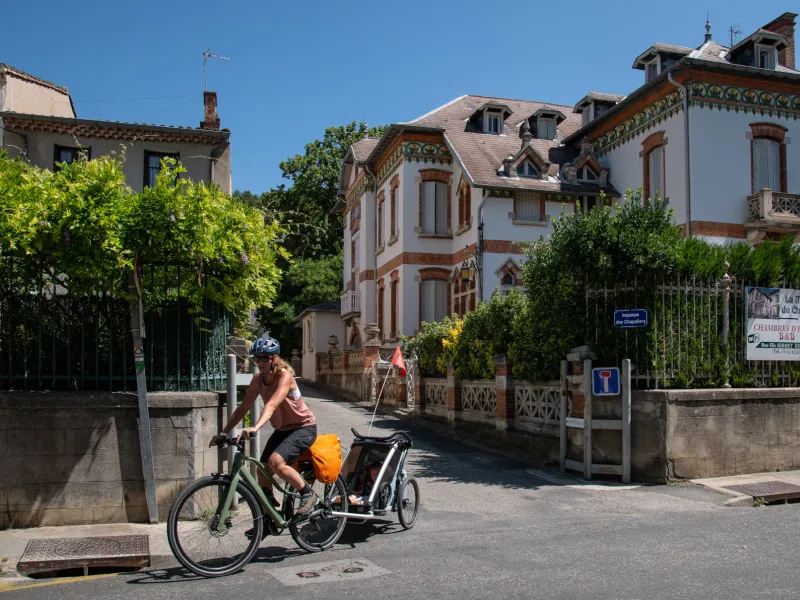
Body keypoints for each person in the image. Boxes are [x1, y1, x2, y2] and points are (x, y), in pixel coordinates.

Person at [209, 336, 318, 516]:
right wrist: (224, 432)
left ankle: (308, 494)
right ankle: (269, 517)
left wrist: (255, 427)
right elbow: (242, 408)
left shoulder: (285, 376)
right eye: (256, 358)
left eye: (264, 358)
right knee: (262, 471)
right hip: (282, 430)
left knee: (276, 462)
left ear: (274, 359)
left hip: (303, 428)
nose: (259, 362)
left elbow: (272, 404)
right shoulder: (258, 379)